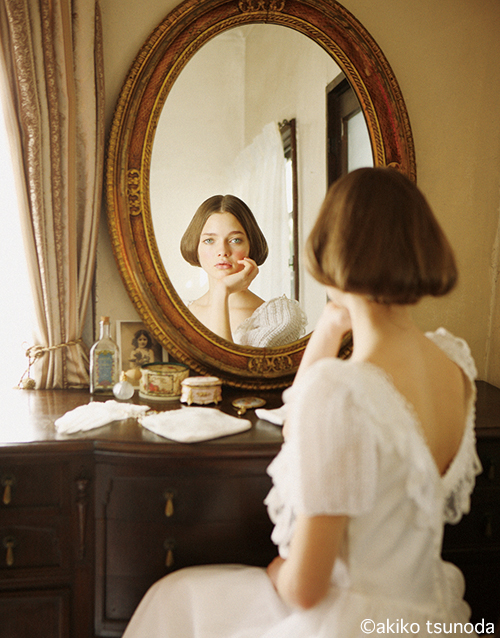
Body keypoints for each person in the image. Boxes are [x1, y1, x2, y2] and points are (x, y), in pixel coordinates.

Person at [122, 168, 483, 638]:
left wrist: (276, 571)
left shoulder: (341, 390)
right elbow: (301, 423)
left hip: (348, 622)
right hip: (425, 612)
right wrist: (331, 326)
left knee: (174, 595)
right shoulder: (454, 365)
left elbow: (305, 589)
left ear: (329, 253)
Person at [180, 194, 306, 347]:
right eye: (209, 240)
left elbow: (223, 360)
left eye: (235, 240)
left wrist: (222, 290)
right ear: (196, 247)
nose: (222, 251)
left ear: (250, 246)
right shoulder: (180, 313)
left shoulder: (278, 318)